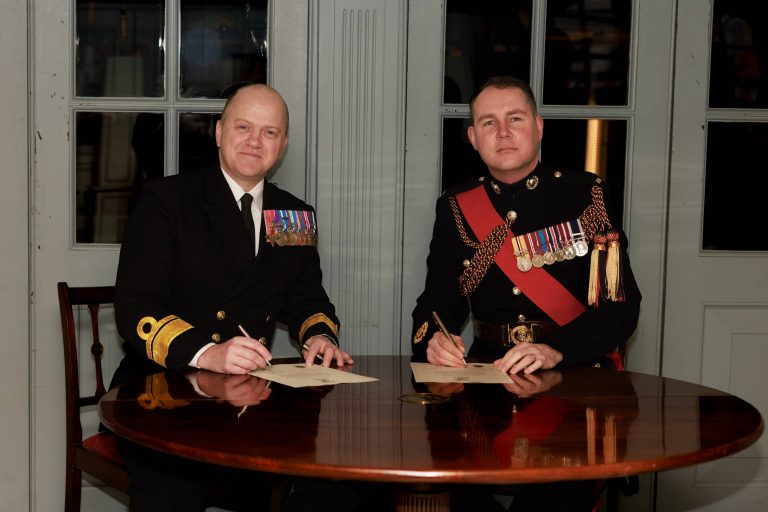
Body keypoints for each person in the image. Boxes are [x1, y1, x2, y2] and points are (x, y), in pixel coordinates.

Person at [112, 83, 354, 511]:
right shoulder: (168, 200)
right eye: (243, 127)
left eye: (270, 132)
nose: (255, 141)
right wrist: (208, 353)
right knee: (173, 490)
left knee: (334, 479)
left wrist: (319, 336)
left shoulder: (293, 214)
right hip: (164, 391)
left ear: (283, 145)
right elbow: (137, 308)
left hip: (249, 397)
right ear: (220, 132)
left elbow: (307, 298)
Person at [410, 76, 641, 510]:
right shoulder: (457, 207)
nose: (502, 132)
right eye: (488, 122)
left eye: (514, 119)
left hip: (570, 381)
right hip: (484, 382)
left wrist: (555, 348)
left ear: (537, 126)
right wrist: (434, 339)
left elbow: (620, 310)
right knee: (458, 485)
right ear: (473, 138)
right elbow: (435, 304)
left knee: (555, 496)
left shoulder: (585, 196)